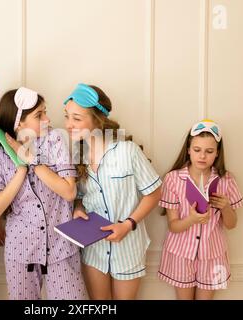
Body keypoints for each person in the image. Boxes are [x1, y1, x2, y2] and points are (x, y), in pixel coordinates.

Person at [0, 87, 86, 300]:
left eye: (45, 112)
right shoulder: (0, 157)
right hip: (21, 251)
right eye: (39, 115)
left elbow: (69, 191)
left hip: (61, 248)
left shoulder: (55, 142)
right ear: (18, 122)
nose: (48, 119)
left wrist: (32, 161)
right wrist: (21, 169)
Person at [63, 83, 162, 300]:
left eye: (77, 118)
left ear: (98, 120)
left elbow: (154, 193)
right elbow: (79, 196)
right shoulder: (76, 155)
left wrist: (128, 224)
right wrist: (78, 208)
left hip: (128, 248)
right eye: (67, 116)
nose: (69, 125)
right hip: (94, 249)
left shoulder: (128, 151)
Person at [157, 119, 243, 300]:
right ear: (188, 150)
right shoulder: (173, 179)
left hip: (212, 255)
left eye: (209, 151)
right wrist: (192, 219)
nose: (202, 156)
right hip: (180, 254)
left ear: (217, 153)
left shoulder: (226, 180)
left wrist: (226, 207)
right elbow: (173, 226)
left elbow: (232, 224)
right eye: (197, 150)